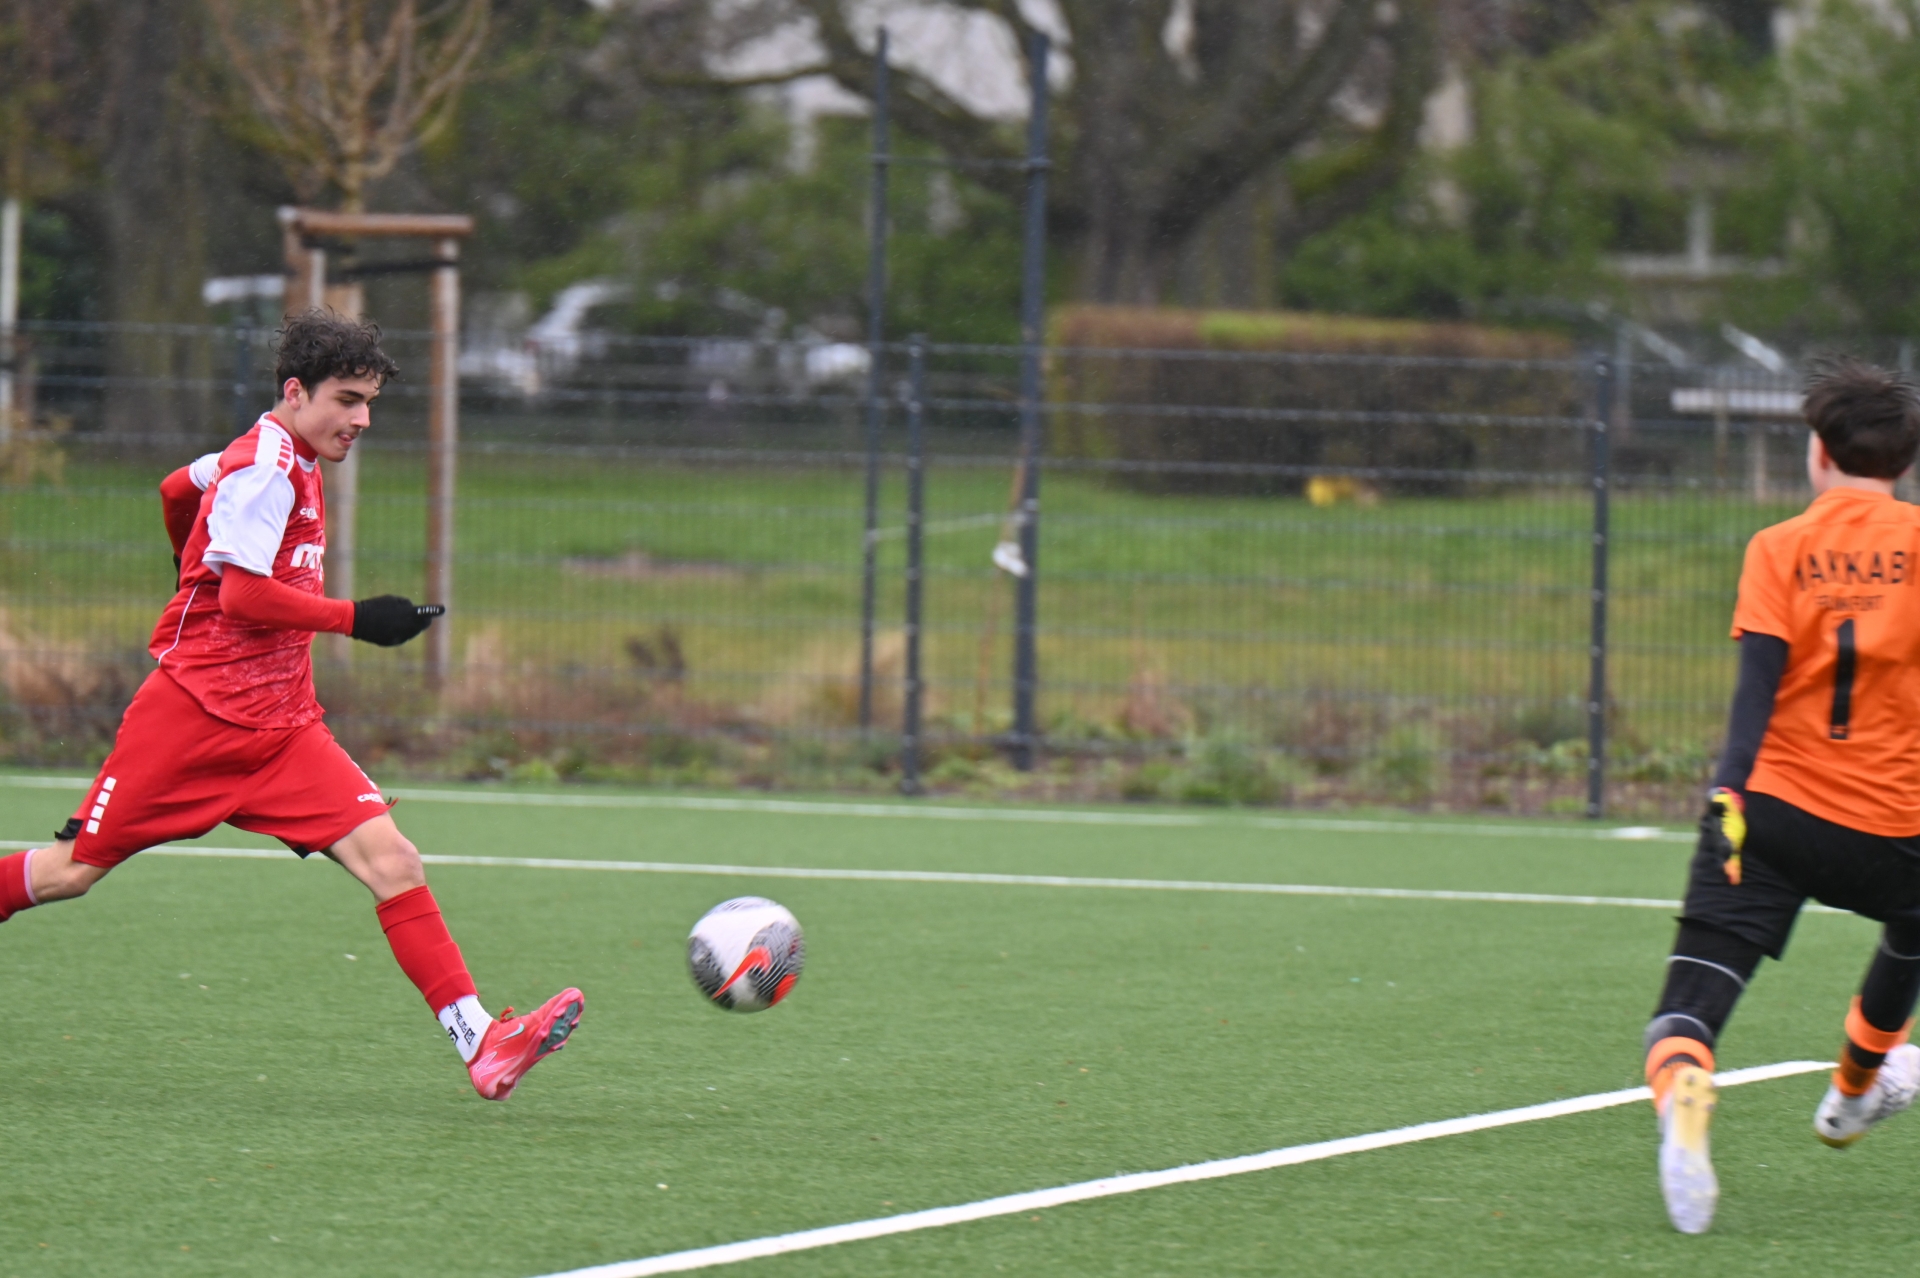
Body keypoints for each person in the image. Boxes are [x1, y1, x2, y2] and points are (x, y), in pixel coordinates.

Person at [0, 311, 582, 1101]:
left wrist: (186, 559)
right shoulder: (265, 469)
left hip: (281, 729)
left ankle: (482, 1042)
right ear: (296, 391)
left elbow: (176, 489)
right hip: (193, 717)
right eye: (348, 400)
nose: (362, 420)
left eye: (369, 403)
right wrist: (357, 619)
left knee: (394, 862)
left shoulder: (279, 457)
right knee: (69, 874)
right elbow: (240, 597)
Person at [1644, 357, 1920, 1233]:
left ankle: (1685, 1089)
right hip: (1899, 826)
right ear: (1904, 462)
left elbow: (1755, 693)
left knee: (1686, 1007)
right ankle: (1854, 1092)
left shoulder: (1776, 547)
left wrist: (1726, 795)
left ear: (1818, 453)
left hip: (1771, 814)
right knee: (1913, 928)